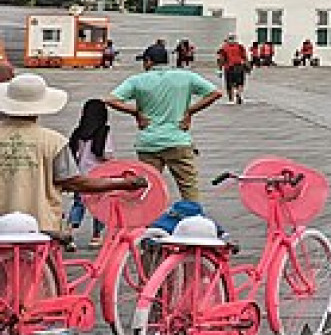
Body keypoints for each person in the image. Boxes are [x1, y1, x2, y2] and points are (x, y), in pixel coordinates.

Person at [1, 76, 143, 237]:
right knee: (42, 262)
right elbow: (74, 182)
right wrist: (121, 183)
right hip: (40, 226)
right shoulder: (53, 141)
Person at [105, 44, 221, 200]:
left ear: (148, 61)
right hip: (178, 140)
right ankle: (193, 219)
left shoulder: (137, 81)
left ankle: (148, 219)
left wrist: (135, 112)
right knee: (189, 188)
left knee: (148, 188)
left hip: (149, 142)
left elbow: (111, 99)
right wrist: (189, 112)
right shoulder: (186, 77)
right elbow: (215, 93)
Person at [64, 98, 116, 244]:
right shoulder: (104, 132)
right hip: (99, 176)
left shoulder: (78, 132)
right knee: (99, 206)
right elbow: (107, 154)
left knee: (79, 203)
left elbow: (74, 153)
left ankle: (69, 231)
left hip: (80, 175)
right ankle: (96, 236)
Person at [215, 35, 249, 104]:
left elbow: (221, 59)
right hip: (240, 66)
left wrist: (220, 69)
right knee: (240, 83)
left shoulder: (224, 48)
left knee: (229, 84)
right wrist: (247, 67)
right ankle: (239, 94)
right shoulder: (240, 46)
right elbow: (245, 57)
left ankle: (231, 99)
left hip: (229, 67)